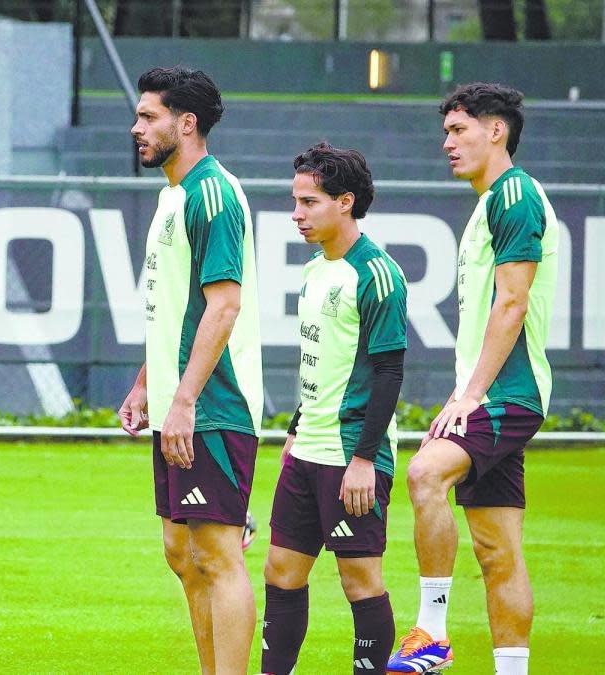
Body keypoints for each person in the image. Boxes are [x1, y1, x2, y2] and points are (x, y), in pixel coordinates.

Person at [387, 83, 558, 675]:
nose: (448, 143)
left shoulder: (514, 194)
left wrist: (472, 393)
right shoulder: (490, 203)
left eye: (459, 130)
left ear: (496, 131)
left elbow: (512, 303)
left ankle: (432, 634)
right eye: (446, 132)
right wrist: (468, 389)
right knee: (496, 550)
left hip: (508, 393)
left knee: (424, 473)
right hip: (495, 392)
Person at [117, 65, 263, 674]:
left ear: (186, 123)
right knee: (181, 551)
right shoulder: (174, 196)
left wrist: (184, 401)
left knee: (217, 555)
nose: (136, 128)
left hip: (214, 405)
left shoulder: (212, 194)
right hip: (182, 399)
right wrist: (146, 384)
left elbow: (223, 305)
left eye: (148, 116)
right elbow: (176, 308)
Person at [260, 142, 408, 675]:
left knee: (359, 581)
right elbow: (320, 364)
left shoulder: (377, 274)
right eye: (295, 201)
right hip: (308, 450)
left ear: (345, 202)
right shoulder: (314, 271)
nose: (296, 214)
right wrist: (296, 429)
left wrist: (365, 460)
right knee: (281, 571)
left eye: (309, 202)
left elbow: (389, 372)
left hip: (351, 456)